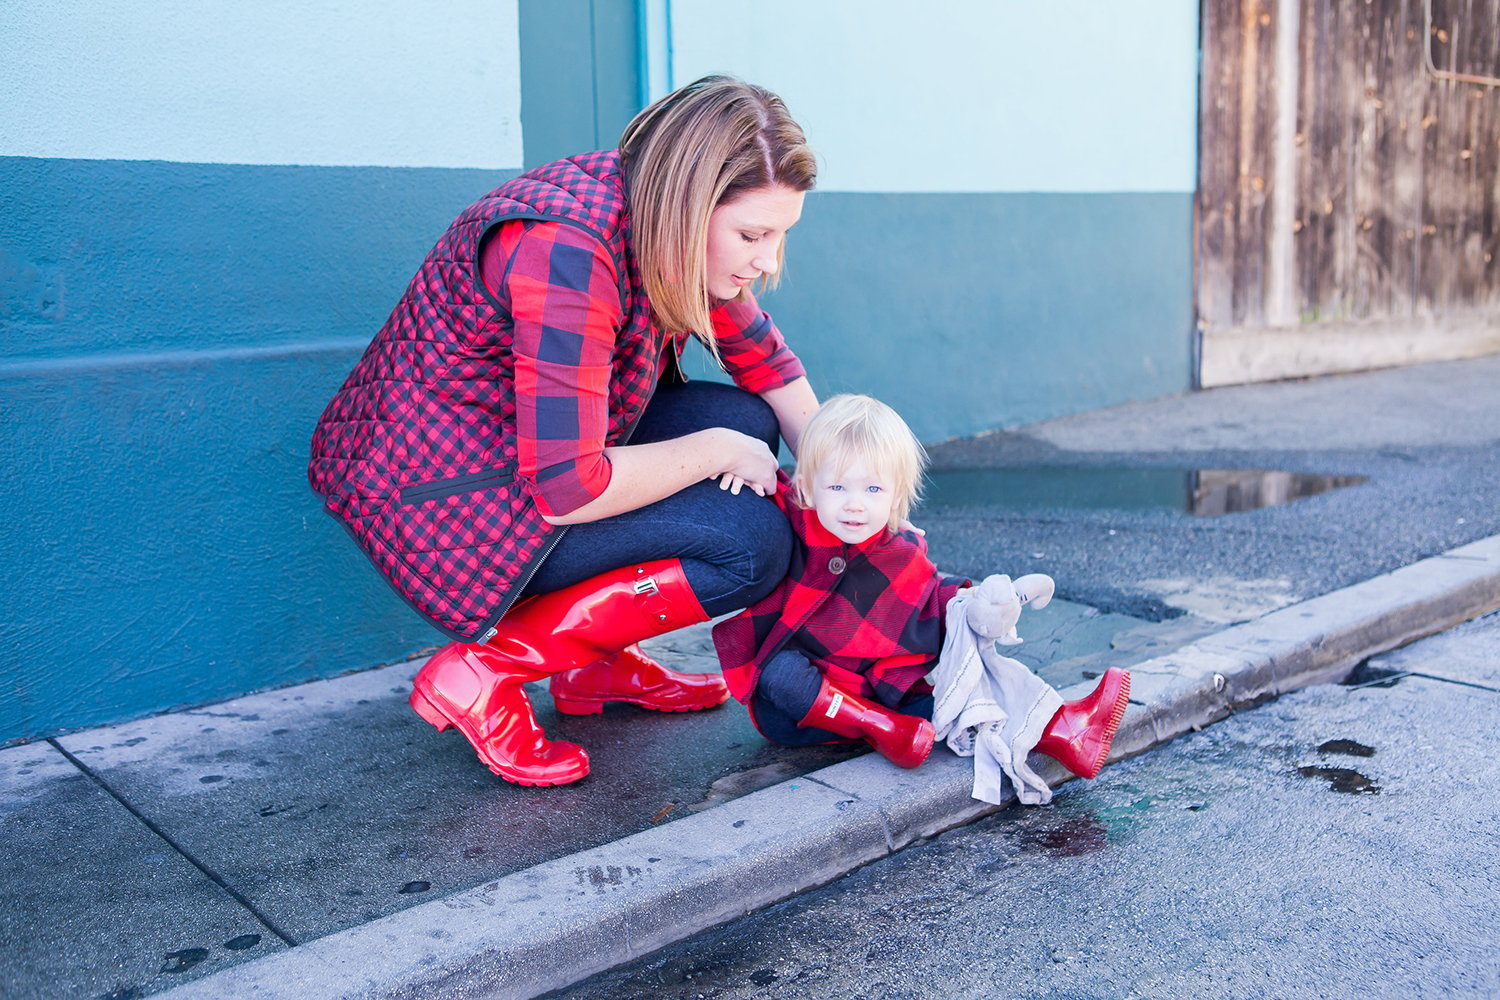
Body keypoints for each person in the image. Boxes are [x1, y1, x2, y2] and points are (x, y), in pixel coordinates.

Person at [308, 76, 820, 787]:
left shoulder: (655, 214)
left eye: (779, 236)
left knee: (750, 422)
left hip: (514, 456)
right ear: (688, 202)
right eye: (752, 235)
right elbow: (569, 490)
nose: (767, 261)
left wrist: (846, 476)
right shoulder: (568, 251)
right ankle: (484, 673)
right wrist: (713, 454)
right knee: (750, 542)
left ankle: (594, 666)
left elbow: (763, 362)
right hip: (441, 497)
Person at [711, 394, 1130, 783]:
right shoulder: (794, 522)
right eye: (837, 487)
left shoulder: (900, 550)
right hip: (801, 711)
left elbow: (934, 598)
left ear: (895, 497)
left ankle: (1066, 731)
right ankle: (882, 731)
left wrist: (980, 603)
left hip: (883, 692)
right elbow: (768, 495)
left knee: (966, 696)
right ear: (807, 486)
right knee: (778, 675)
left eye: (872, 489)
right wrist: (739, 473)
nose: (855, 504)